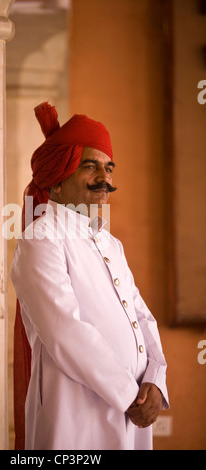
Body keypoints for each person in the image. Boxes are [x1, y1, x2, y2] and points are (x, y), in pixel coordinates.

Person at [10, 102, 169, 450]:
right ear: (56, 179)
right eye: (90, 167)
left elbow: (141, 315)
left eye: (109, 168)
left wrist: (155, 380)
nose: (105, 179)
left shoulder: (110, 242)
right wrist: (130, 395)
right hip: (76, 413)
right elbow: (65, 332)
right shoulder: (41, 239)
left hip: (133, 408)